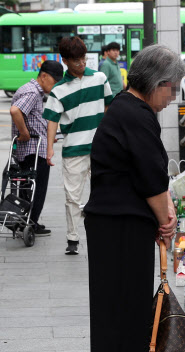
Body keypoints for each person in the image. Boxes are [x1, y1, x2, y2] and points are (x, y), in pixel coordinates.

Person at [83, 44, 182, 352]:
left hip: (116, 223)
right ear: (156, 82)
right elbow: (150, 177)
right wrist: (166, 220)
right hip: (120, 225)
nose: (172, 98)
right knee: (123, 307)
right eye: (171, 88)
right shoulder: (136, 114)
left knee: (118, 306)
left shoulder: (127, 109)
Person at [43, 36, 113, 255]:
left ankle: (104, 231)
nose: (82, 63)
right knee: (73, 196)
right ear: (65, 61)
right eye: (76, 61)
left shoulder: (100, 78)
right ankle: (72, 238)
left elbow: (110, 106)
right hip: (73, 149)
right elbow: (52, 119)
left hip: (101, 148)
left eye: (83, 58)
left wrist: (107, 133)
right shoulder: (58, 90)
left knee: (104, 192)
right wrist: (49, 148)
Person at [9, 60, 64, 235]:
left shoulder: (30, 90)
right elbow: (15, 111)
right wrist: (24, 133)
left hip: (30, 149)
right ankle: (31, 223)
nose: (55, 86)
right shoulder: (33, 92)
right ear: (44, 76)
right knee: (37, 189)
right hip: (33, 151)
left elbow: (31, 118)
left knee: (27, 188)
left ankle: (27, 221)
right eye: (54, 82)